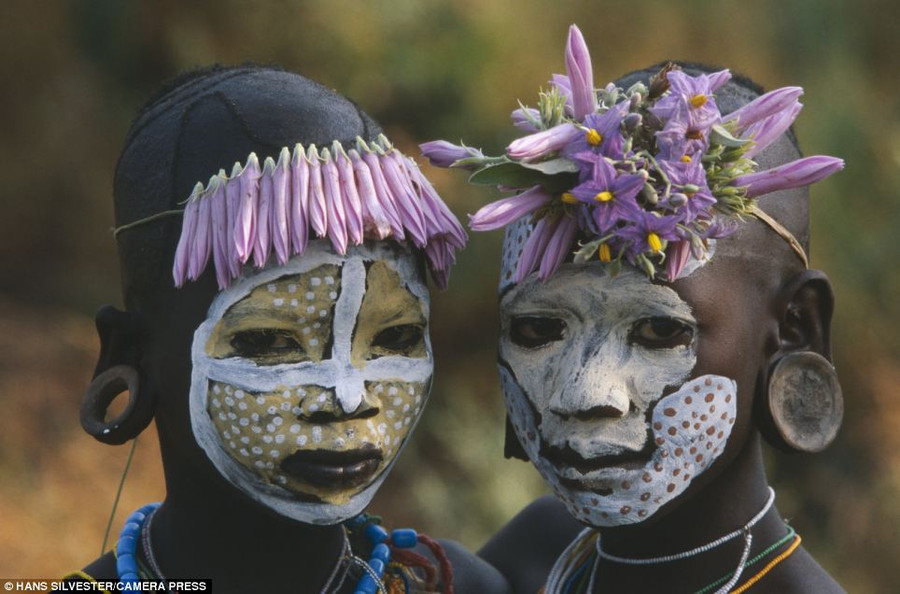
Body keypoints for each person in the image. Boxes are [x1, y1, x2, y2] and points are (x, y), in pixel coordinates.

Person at [424, 25, 845, 593]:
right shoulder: (523, 564)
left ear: (796, 328)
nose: (583, 394)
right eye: (540, 328)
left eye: (657, 329)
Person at [69, 64, 510, 593]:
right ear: (132, 354)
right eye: (271, 342)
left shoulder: (456, 586)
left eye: (396, 338)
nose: (349, 397)